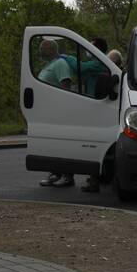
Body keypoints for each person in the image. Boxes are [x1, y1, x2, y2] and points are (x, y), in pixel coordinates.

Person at [37, 39, 75, 187]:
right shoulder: (49, 64)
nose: (41, 51)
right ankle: (55, 173)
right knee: (53, 146)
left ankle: (67, 176)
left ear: (51, 49)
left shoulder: (60, 64)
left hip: (58, 112)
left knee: (62, 145)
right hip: (49, 112)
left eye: (43, 48)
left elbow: (65, 86)